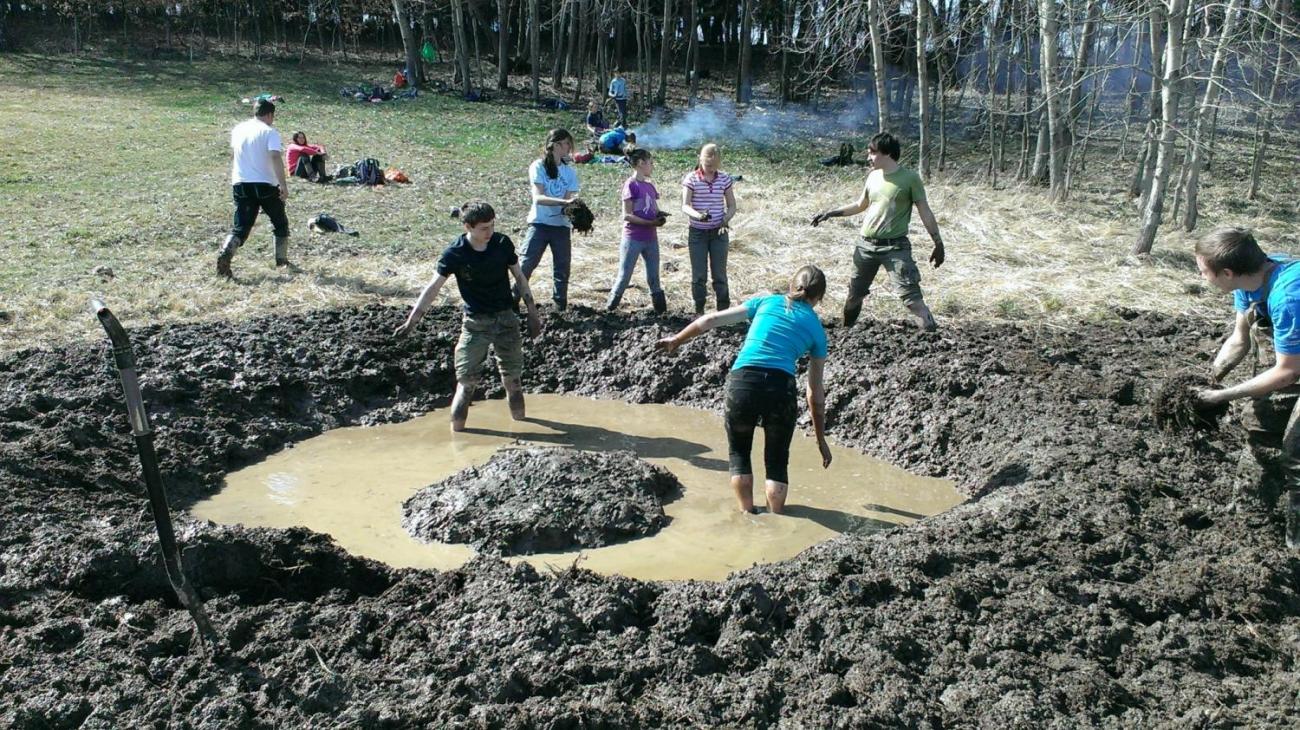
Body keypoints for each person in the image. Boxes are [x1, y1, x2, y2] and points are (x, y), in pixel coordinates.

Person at [656, 265, 833, 515]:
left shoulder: (765, 302)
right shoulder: (816, 330)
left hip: (742, 384)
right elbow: (815, 393)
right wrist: (820, 439)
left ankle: (747, 515)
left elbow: (710, 320)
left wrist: (676, 339)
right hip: (780, 389)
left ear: (791, 286)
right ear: (819, 298)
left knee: (739, 454)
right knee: (777, 461)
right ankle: (776, 521)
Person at [394, 202, 542, 433]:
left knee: (513, 381)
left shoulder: (502, 244)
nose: (490, 232)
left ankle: (524, 428)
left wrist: (532, 313)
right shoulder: (456, 253)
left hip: (506, 319)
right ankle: (458, 435)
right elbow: (433, 287)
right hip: (475, 324)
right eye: (484, 228)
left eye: (492, 225)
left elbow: (520, 277)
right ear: (468, 227)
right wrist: (412, 321)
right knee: (466, 384)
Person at [1194, 227, 1300, 548]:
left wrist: (1222, 396)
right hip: (1293, 360)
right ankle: (1251, 521)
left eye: (1203, 272)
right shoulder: (1249, 281)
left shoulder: (1288, 297)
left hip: (1291, 365)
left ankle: (1296, 544)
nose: (1202, 278)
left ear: (1226, 272)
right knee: (1261, 428)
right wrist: (1211, 379)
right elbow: (1239, 339)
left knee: (1297, 455)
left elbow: (1286, 372)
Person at [811, 131, 946, 331]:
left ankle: (931, 338)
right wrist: (831, 213)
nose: (868, 157)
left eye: (872, 153)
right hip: (865, 246)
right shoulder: (873, 177)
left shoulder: (909, 179)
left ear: (887, 153)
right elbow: (860, 205)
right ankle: (845, 335)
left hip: (895, 248)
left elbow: (924, 211)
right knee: (854, 296)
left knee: (911, 299)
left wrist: (938, 242)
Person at [218, 98, 291, 279]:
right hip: (265, 183)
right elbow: (274, 156)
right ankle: (281, 261)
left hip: (241, 182)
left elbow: (235, 154)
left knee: (242, 227)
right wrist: (283, 184)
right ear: (269, 114)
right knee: (280, 223)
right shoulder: (269, 132)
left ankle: (227, 251)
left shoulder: (238, 129)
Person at [519, 129, 580, 310]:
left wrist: (575, 210)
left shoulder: (569, 173)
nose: (569, 148)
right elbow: (538, 198)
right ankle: (511, 302)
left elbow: (568, 203)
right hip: (539, 224)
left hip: (561, 227)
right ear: (555, 145)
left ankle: (559, 308)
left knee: (562, 270)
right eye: (567, 143)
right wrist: (566, 202)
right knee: (526, 265)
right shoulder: (538, 167)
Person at [607, 148, 667, 313]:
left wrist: (659, 215)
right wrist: (651, 222)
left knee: (654, 278)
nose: (652, 166)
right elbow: (627, 215)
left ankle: (662, 313)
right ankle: (609, 310)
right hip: (633, 238)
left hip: (650, 238)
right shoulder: (631, 185)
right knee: (624, 277)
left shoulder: (649, 186)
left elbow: (653, 208)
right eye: (650, 163)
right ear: (641, 163)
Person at [681, 143, 737, 314]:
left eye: (714, 166)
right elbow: (685, 206)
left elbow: (732, 205)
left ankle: (722, 312)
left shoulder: (724, 179)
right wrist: (698, 215)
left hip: (719, 233)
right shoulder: (691, 179)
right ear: (701, 161)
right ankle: (699, 311)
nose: (710, 169)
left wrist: (726, 219)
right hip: (698, 233)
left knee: (719, 275)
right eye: (707, 166)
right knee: (699, 276)